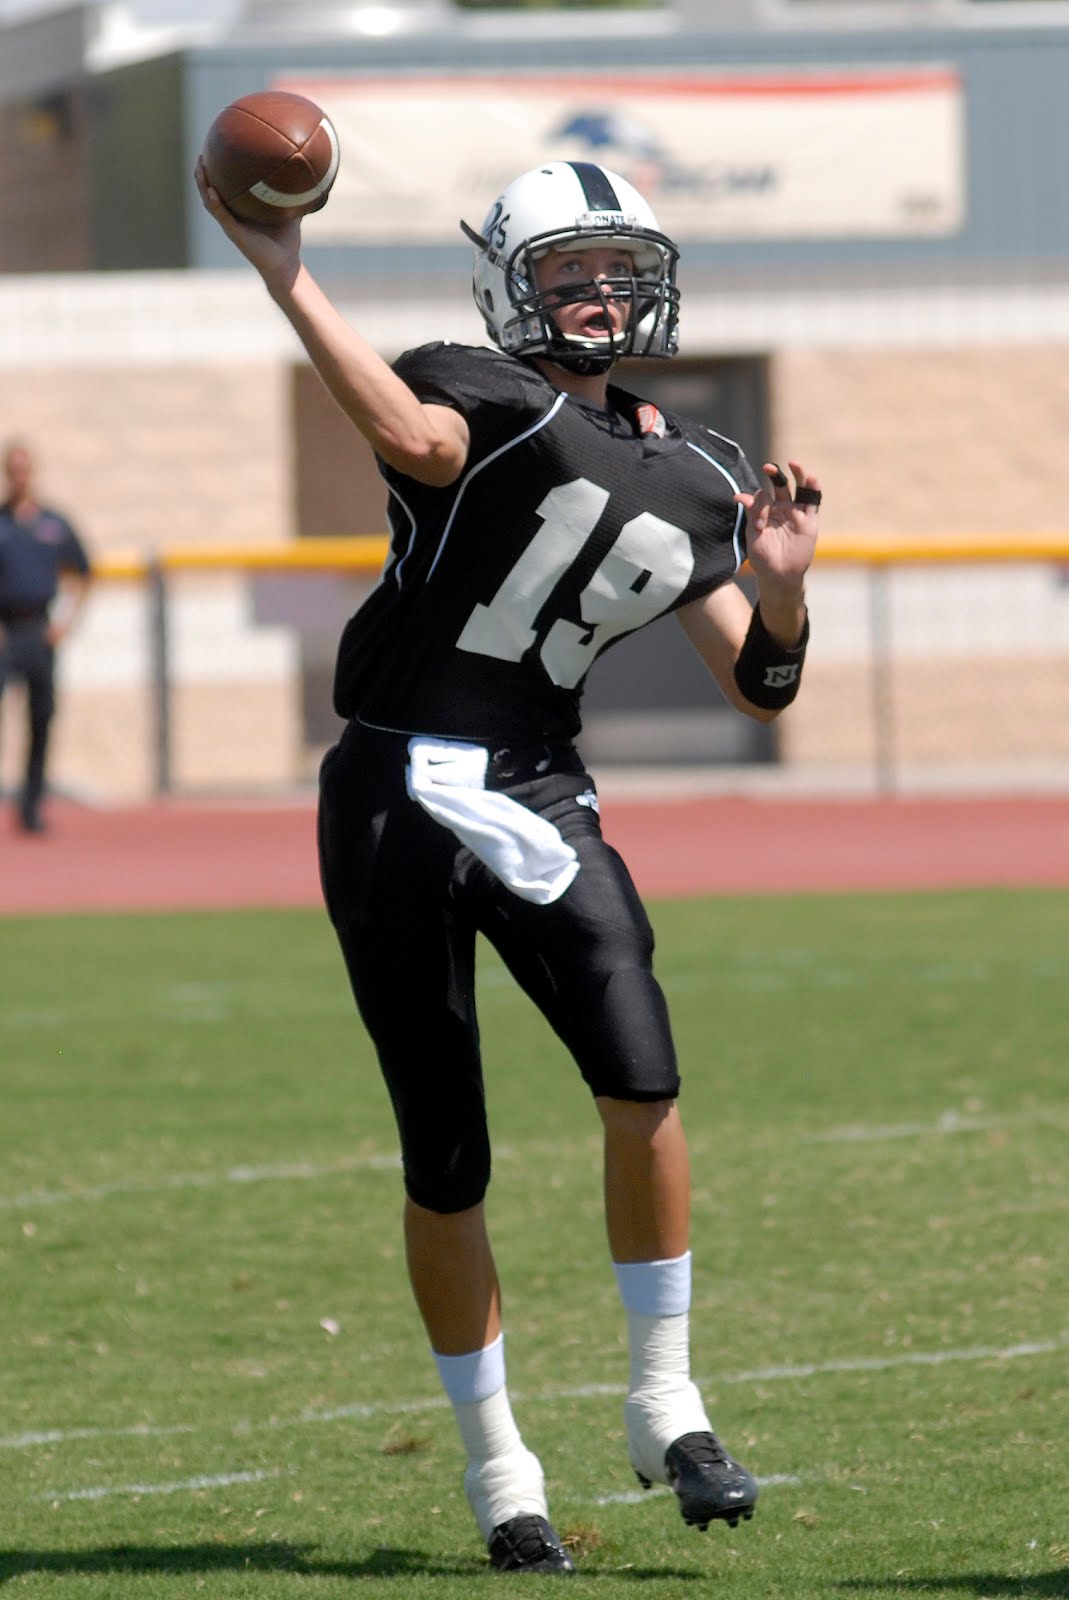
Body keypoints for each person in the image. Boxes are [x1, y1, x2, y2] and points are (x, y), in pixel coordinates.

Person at [197, 154, 820, 1574]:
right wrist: (285, 271)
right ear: (510, 287)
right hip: (392, 790)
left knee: (640, 1073)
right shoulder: (471, 385)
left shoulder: (703, 469)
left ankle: (667, 1404)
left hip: (540, 789)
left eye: (616, 272)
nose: (598, 297)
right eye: (566, 273)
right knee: (447, 1153)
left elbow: (762, 689)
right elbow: (416, 440)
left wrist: (781, 588)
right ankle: (500, 1473)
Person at [0, 440, 92, 833]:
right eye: (13, 469)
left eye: (25, 468)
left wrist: (65, 624)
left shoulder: (53, 523)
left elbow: (84, 572)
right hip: (5, 631)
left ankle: (31, 805)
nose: (20, 476)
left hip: (40, 630)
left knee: (42, 719)